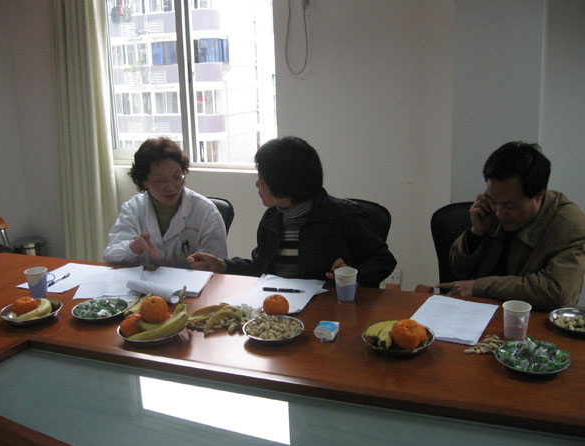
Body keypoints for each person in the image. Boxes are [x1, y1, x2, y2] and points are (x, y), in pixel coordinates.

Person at [188, 136, 396, 287]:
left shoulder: (342, 216)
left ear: (285, 182)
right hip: (281, 308)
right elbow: (261, 267)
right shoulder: (273, 217)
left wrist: (354, 274)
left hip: (329, 311)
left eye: (263, 179)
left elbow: (384, 260)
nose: (257, 184)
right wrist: (223, 265)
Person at [438, 141, 585, 310]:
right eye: (493, 201)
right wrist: (475, 234)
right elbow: (458, 273)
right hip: (478, 311)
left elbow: (558, 293)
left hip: (530, 318)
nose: (500, 213)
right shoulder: (488, 211)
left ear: (539, 195)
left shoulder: (569, 226)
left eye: (510, 207)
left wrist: (480, 286)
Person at [103, 137, 227, 268]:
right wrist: (134, 247)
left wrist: (205, 266)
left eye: (177, 177)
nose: (171, 187)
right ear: (144, 181)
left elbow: (218, 265)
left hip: (190, 281)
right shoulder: (133, 208)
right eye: (160, 181)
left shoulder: (207, 212)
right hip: (144, 281)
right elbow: (110, 256)